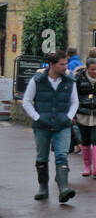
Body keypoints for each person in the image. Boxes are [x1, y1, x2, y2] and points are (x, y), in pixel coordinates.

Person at [21, 50, 79, 202]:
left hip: (63, 124)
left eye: (66, 63)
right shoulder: (38, 80)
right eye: (62, 64)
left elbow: (75, 102)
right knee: (42, 156)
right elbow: (26, 101)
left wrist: (69, 117)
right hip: (42, 125)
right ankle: (43, 187)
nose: (65, 67)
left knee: (62, 155)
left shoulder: (69, 80)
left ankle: (63, 188)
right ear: (52, 65)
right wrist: (37, 117)